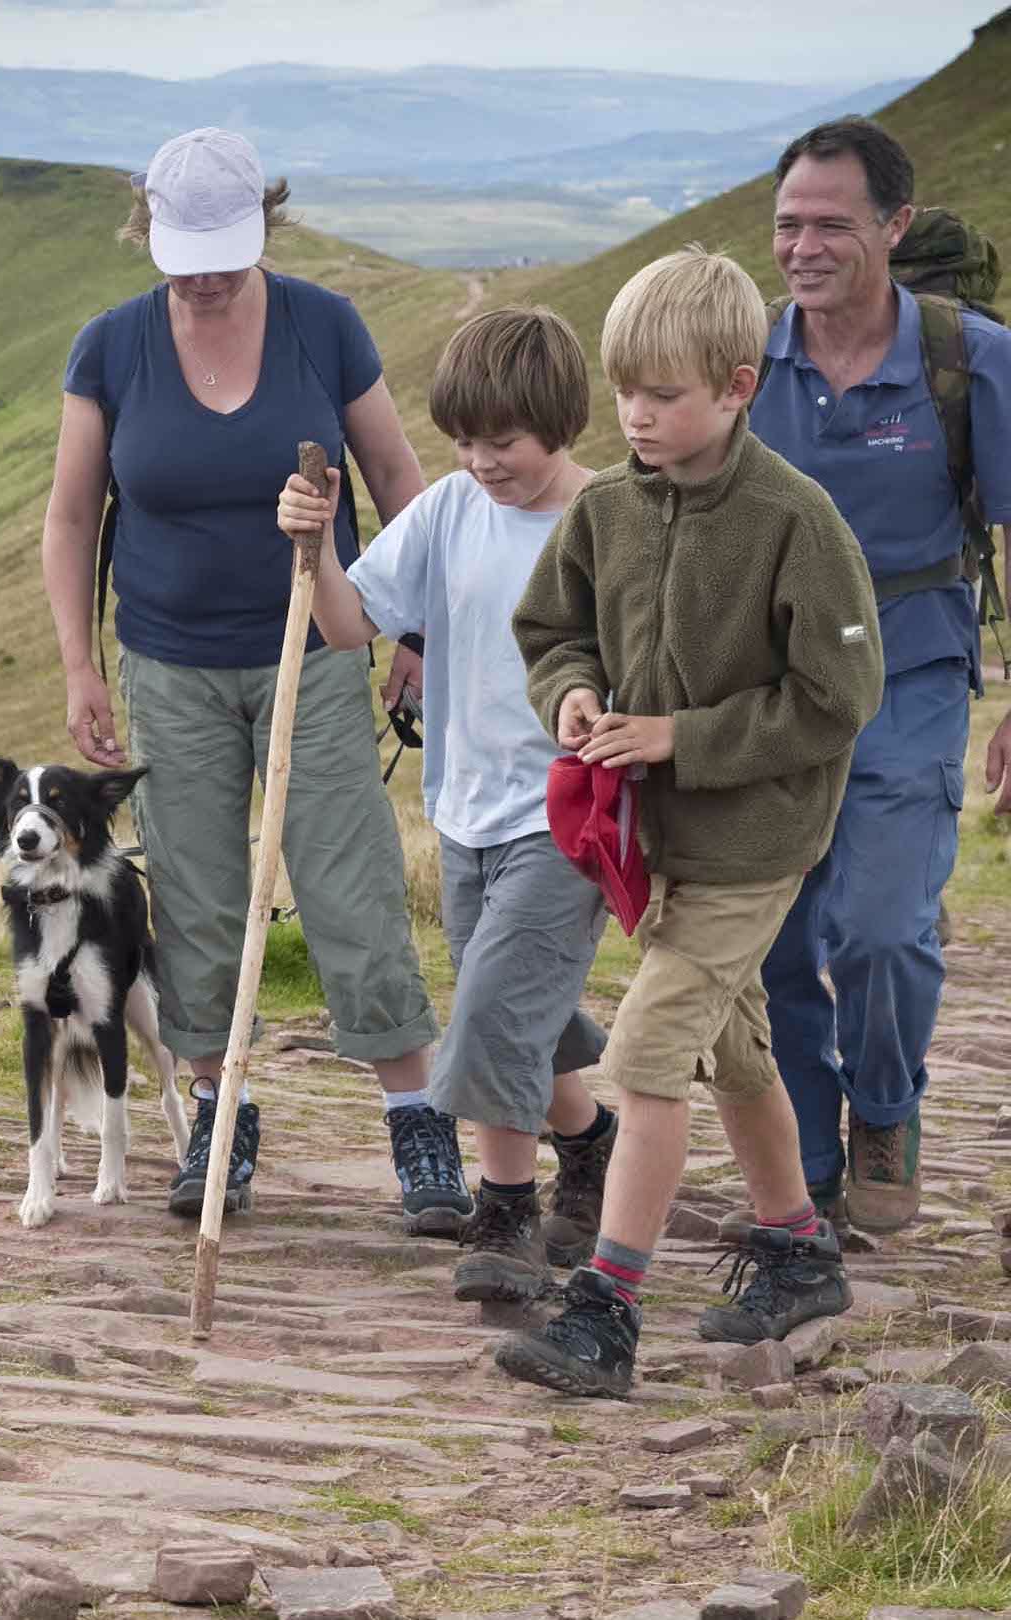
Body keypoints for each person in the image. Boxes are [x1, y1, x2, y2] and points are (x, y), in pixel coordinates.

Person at [44, 126, 461, 1231]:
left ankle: (418, 1126)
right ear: (150, 234)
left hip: (316, 653)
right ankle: (217, 1124)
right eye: (187, 256)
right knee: (194, 898)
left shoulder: (324, 326)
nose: (209, 277)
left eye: (226, 252)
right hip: (169, 665)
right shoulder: (110, 347)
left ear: (264, 225)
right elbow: (74, 514)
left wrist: (413, 628)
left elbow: (399, 478)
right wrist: (83, 668)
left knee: (348, 879)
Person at [501, 248, 883, 1397]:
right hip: (656, 843)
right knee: (729, 1043)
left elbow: (839, 699)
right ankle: (798, 1244)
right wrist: (570, 691)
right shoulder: (607, 508)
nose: (637, 417)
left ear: (736, 385)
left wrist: (682, 737)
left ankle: (605, 1310)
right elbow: (551, 629)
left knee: (650, 1052)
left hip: (756, 844)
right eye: (625, 393)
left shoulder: (795, 520)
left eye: (662, 397)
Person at [275, 307, 619, 1304]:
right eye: (462, 439)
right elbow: (348, 626)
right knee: (516, 1012)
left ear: (560, 421)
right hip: (463, 813)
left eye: (501, 441)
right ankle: (590, 1146)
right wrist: (317, 547)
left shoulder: (612, 518)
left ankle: (505, 1212)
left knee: (492, 1011)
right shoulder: (448, 511)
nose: (480, 459)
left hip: (566, 815)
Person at [751, 118, 1011, 1233]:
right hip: (767, 690)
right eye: (786, 224)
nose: (803, 247)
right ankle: (806, 1161)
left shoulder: (971, 360)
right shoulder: (746, 359)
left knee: (883, 929)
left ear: (895, 227)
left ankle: (887, 1115)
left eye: (831, 224)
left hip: (913, 668)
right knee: (773, 939)